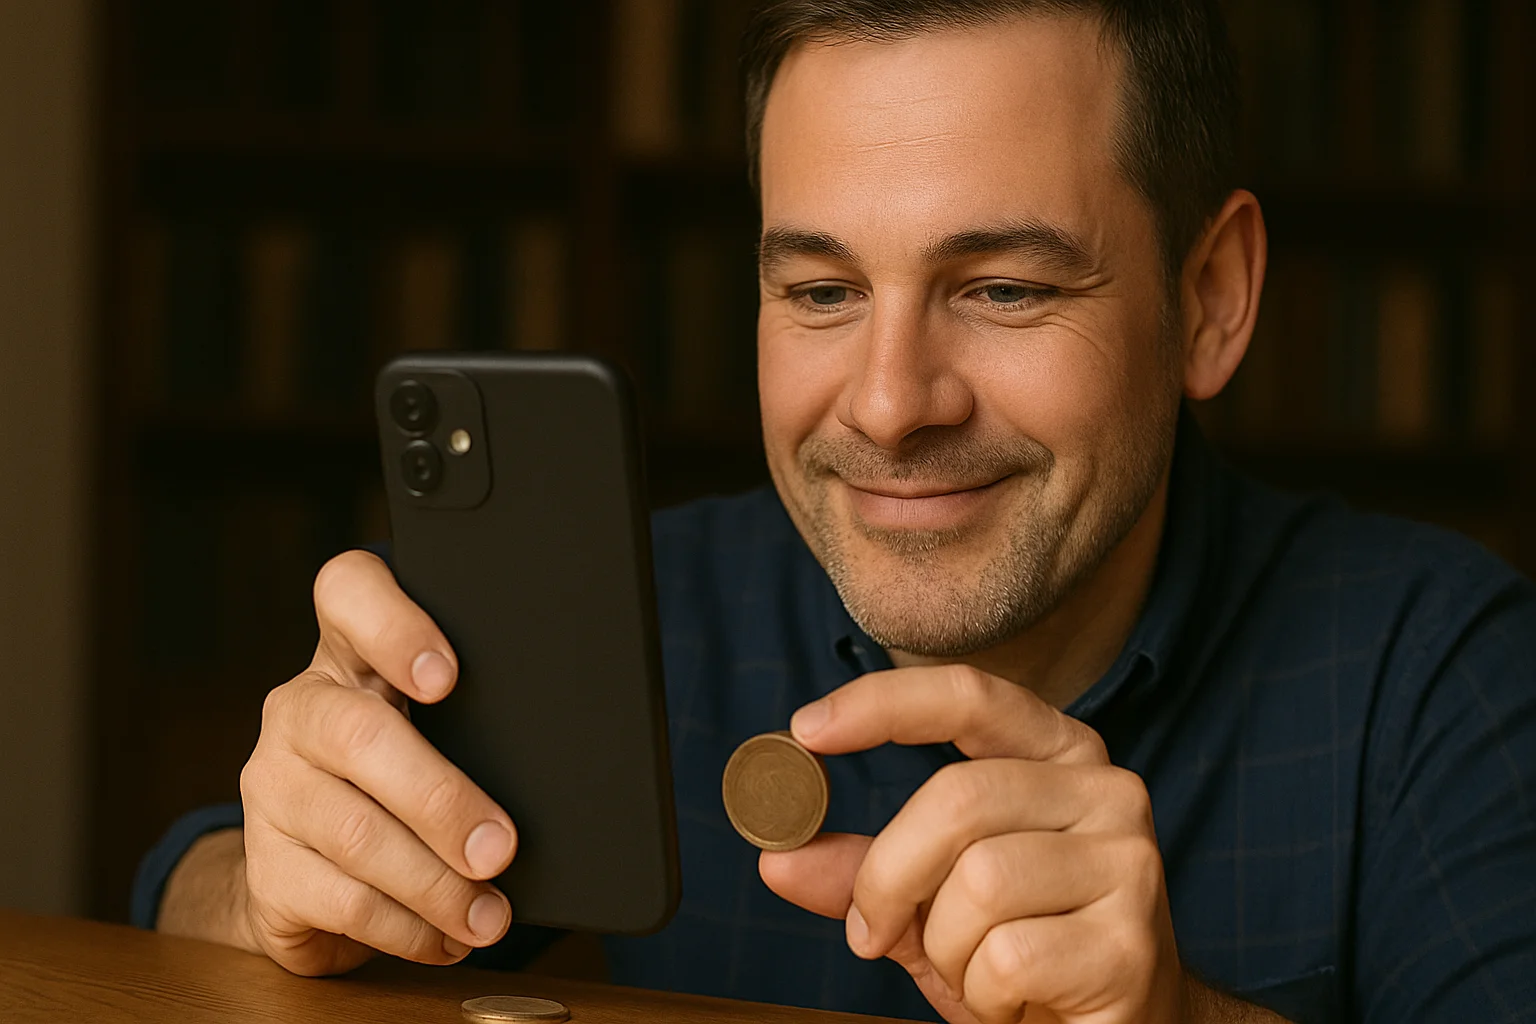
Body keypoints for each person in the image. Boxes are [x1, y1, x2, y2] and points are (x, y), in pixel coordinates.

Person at [132, 2, 1536, 1022]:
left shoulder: (1444, 676)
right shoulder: (640, 613)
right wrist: (263, 888)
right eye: (820, 291)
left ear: (1210, 300)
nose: (885, 405)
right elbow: (192, 894)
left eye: (1002, 287)